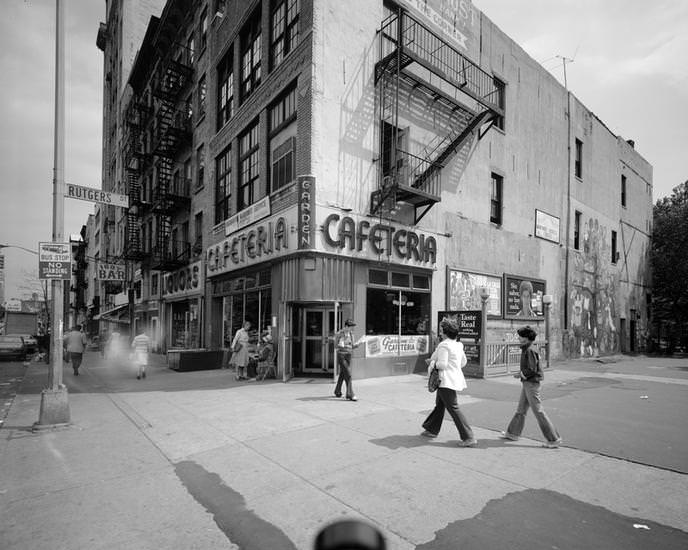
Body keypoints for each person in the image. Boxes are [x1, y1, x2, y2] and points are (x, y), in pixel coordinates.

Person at [500, 325, 562, 448]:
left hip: (531, 383)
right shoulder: (529, 348)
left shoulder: (529, 350)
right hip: (529, 382)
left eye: (520, 336)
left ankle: (553, 439)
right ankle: (512, 433)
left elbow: (532, 369)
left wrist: (521, 374)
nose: (518, 338)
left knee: (538, 411)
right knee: (521, 409)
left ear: (527, 338)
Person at [421, 318, 477, 447]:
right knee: (440, 405)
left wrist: (432, 362)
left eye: (441, 330)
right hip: (452, 379)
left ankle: (468, 437)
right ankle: (431, 429)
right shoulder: (458, 345)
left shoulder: (444, 345)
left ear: (445, 332)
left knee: (453, 407)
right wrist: (454, 366)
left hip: (445, 380)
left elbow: (442, 364)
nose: (440, 332)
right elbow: (463, 362)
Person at [334, 319, 361, 401]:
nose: (352, 329)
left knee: (343, 373)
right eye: (350, 327)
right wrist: (340, 345)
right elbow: (335, 346)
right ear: (346, 326)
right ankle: (350, 394)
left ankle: (337, 391)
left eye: (352, 327)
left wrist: (358, 344)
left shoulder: (351, 334)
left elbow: (352, 346)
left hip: (348, 355)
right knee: (348, 374)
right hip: (341, 355)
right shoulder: (339, 334)